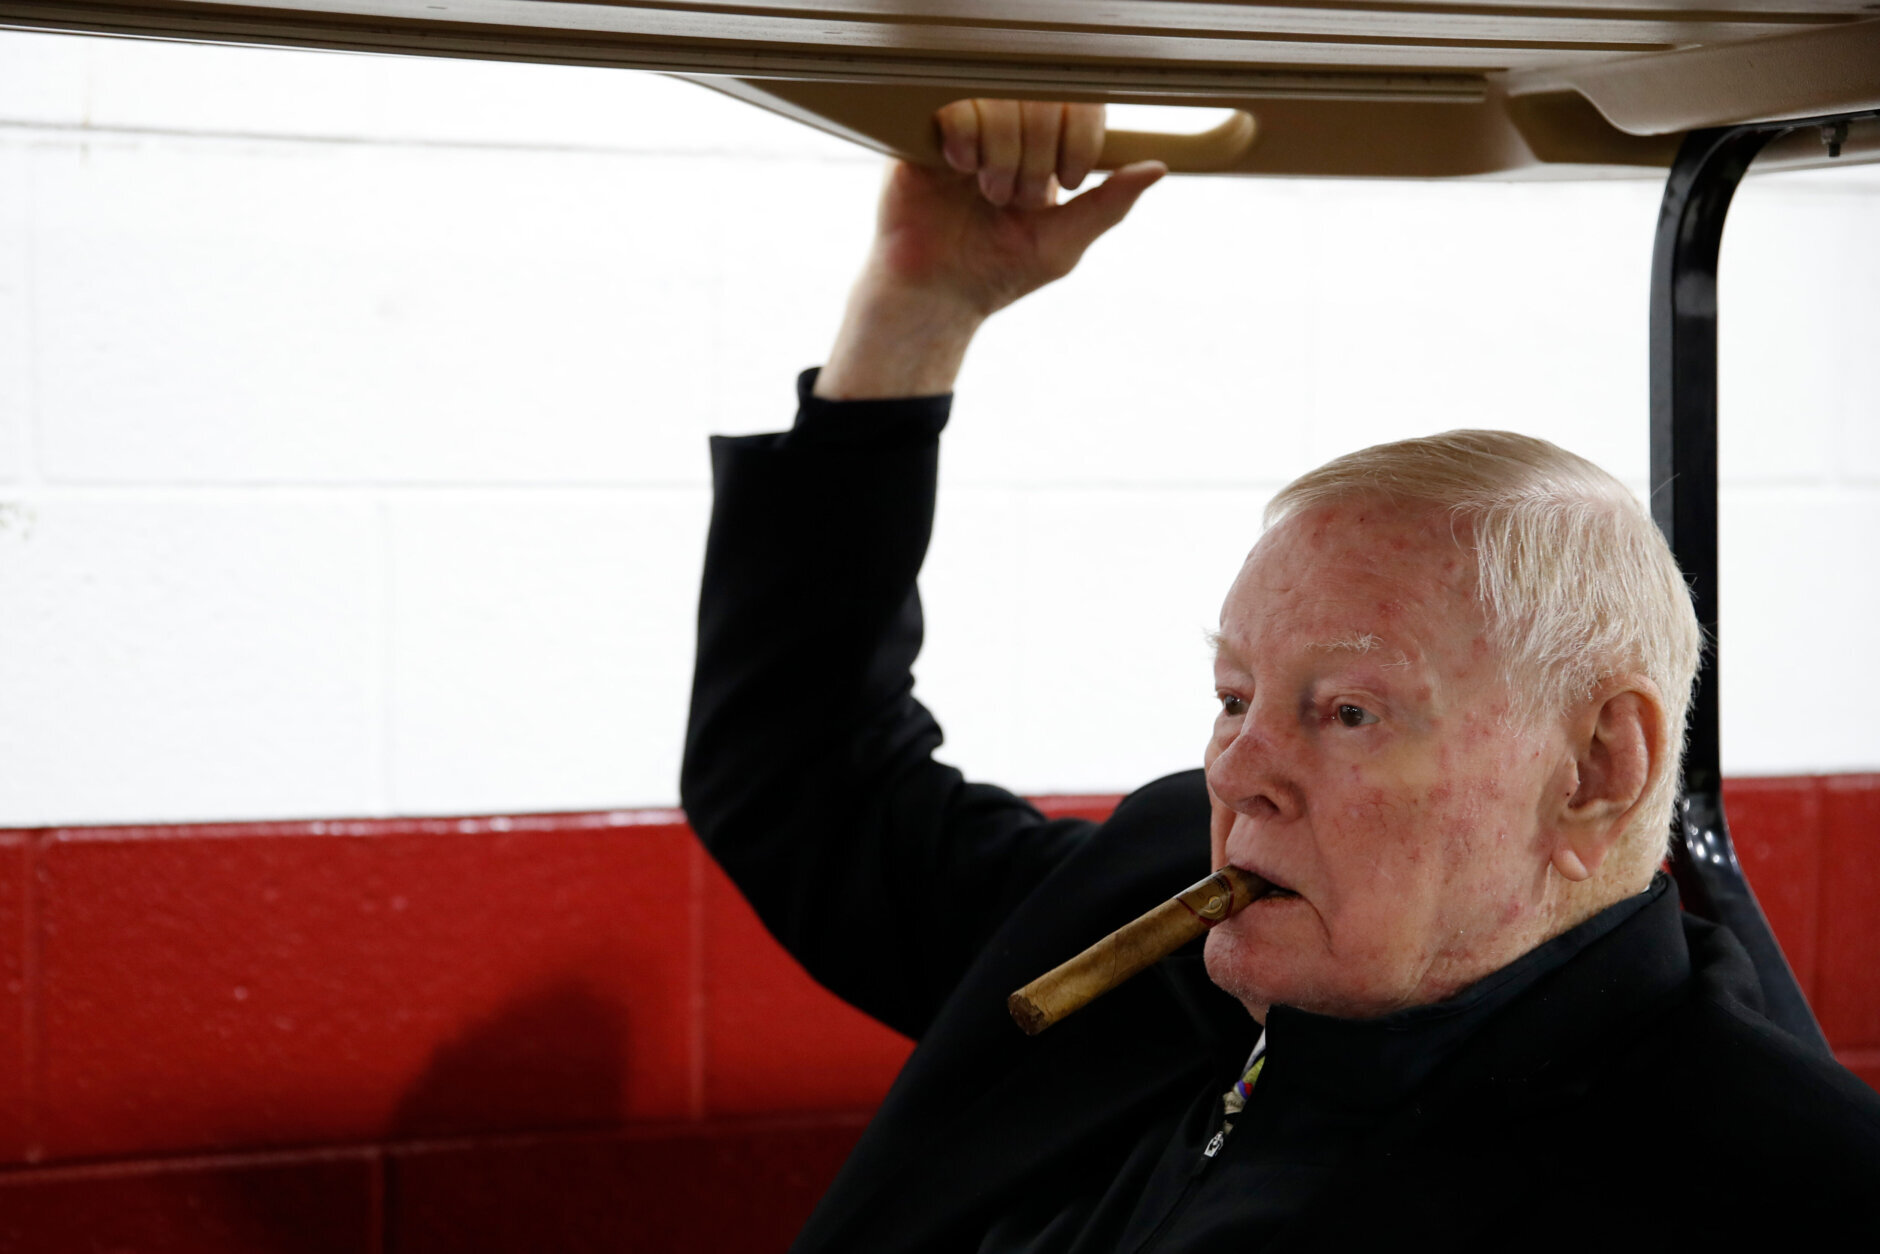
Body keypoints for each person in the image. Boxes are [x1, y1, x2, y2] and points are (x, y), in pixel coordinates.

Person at [681, 101, 1880, 1251]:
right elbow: (802, 778)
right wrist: (916, 309)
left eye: (1347, 711)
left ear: (1594, 771)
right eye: (1232, 697)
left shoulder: (1765, 1192)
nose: (1237, 770)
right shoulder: (1160, 916)